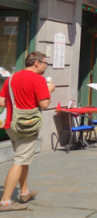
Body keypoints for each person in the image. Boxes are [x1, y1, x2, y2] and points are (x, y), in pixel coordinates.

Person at [0, 51, 55, 211]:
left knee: (23, 158)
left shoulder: (11, 79)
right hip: (27, 127)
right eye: (45, 63)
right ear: (36, 63)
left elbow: (2, 100)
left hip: (11, 124)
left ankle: (24, 192)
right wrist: (50, 89)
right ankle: (5, 202)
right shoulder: (39, 79)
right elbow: (44, 104)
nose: (46, 66)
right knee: (20, 160)